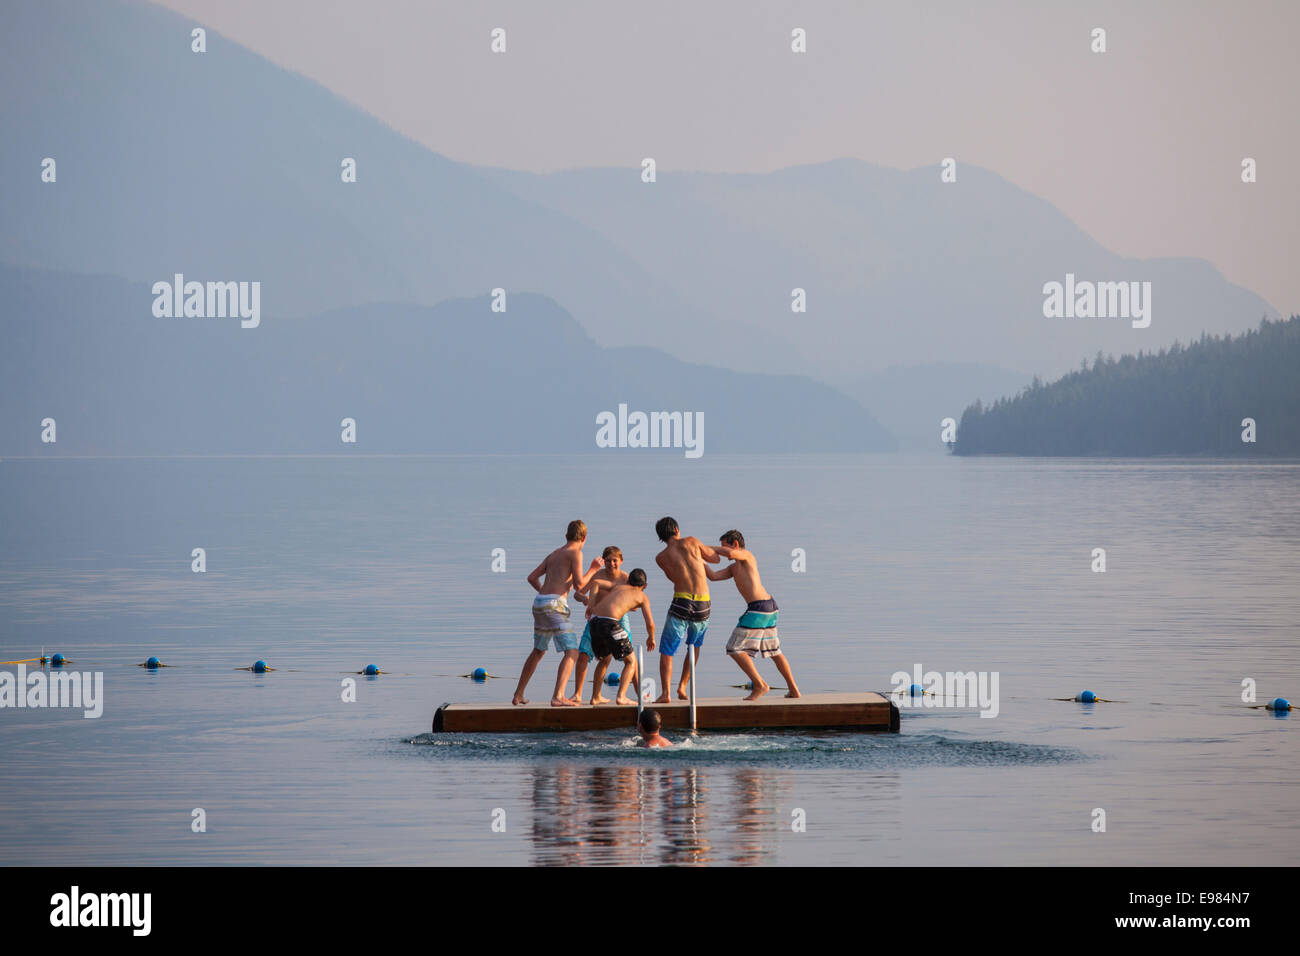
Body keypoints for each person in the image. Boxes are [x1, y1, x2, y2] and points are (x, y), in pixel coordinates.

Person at [513, 520, 605, 706]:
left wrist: (543, 594)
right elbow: (580, 586)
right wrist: (593, 569)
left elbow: (531, 577)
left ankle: (518, 694)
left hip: (539, 604)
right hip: (555, 606)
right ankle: (558, 696)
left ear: (566, 536)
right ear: (584, 538)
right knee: (572, 652)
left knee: (538, 651)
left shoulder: (554, 554)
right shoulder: (575, 553)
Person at [708, 529, 801, 701]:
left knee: (734, 648)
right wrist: (695, 560)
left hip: (759, 608)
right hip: (769, 606)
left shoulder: (747, 556)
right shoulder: (733, 567)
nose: (724, 552)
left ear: (735, 544)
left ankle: (759, 684)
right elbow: (713, 576)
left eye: (724, 546)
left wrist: (705, 547)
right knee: (774, 651)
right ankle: (794, 689)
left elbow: (731, 553)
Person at [653, 516, 721, 703]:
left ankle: (666, 693)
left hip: (681, 602)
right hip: (703, 603)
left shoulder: (660, 558)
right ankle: (682, 686)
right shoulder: (691, 541)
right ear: (676, 529)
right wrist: (700, 554)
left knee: (667, 650)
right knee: (694, 646)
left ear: (661, 536)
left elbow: (674, 578)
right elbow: (715, 559)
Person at [584, 568, 655, 705]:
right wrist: (651, 637)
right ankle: (621, 696)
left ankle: (595, 696)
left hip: (594, 622)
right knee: (631, 661)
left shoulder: (618, 586)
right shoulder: (642, 597)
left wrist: (590, 605)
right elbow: (650, 624)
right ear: (644, 586)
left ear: (628, 580)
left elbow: (596, 583)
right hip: (609, 623)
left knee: (605, 659)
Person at [571, 546, 630, 703]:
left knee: (626, 658)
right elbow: (577, 593)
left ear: (621, 561)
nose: (611, 564)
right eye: (608, 561)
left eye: (615, 561)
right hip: (596, 618)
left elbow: (636, 597)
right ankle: (578, 694)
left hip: (619, 620)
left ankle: (632, 696)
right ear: (604, 562)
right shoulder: (598, 575)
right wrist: (586, 600)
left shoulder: (625, 578)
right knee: (584, 654)